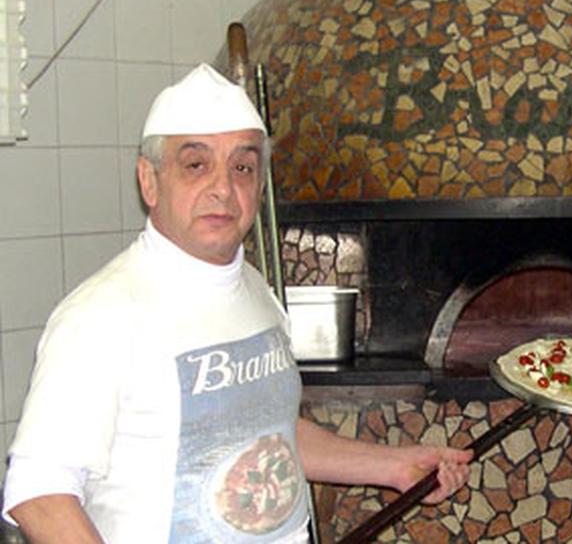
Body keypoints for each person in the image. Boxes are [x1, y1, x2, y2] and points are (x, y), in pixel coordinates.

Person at [2, 63, 472, 543]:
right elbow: (40, 494)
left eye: (242, 167)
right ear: (149, 180)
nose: (223, 188)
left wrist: (393, 465)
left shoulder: (256, 292)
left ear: (259, 185)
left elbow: (270, 432)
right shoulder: (101, 317)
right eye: (196, 164)